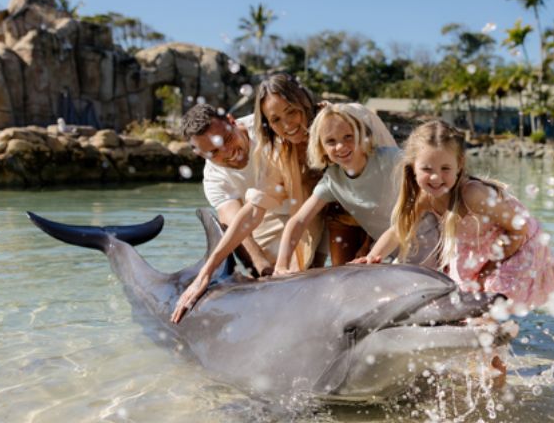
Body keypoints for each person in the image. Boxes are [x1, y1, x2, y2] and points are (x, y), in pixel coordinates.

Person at [171, 74, 394, 323]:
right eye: (276, 120)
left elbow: (399, 183)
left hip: (390, 216)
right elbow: (253, 213)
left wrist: (372, 250)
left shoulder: (353, 119)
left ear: (303, 102)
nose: (287, 125)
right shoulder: (280, 150)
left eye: (292, 112)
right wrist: (207, 272)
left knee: (372, 275)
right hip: (326, 211)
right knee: (341, 291)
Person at [364, 120, 554, 308]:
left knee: (489, 300)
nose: (435, 177)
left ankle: (495, 333)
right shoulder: (426, 198)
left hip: (517, 246)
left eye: (445, 169)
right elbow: (399, 230)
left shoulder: (473, 194)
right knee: (460, 302)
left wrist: (486, 272)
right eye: (426, 169)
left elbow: (518, 229)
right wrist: (373, 257)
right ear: (413, 167)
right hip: (478, 250)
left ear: (459, 164)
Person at [273, 105, 402, 274]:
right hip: (397, 255)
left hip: (434, 244)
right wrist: (281, 265)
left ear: (361, 136)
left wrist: (372, 254)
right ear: (321, 147)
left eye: (348, 137)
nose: (340, 147)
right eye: (331, 141)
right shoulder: (332, 181)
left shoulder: (392, 160)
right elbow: (298, 221)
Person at [180, 103, 282, 276]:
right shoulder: (214, 179)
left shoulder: (269, 128)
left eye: (227, 139)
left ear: (231, 121)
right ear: (199, 153)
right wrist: (265, 272)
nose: (228, 153)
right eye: (213, 152)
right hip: (264, 218)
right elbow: (236, 228)